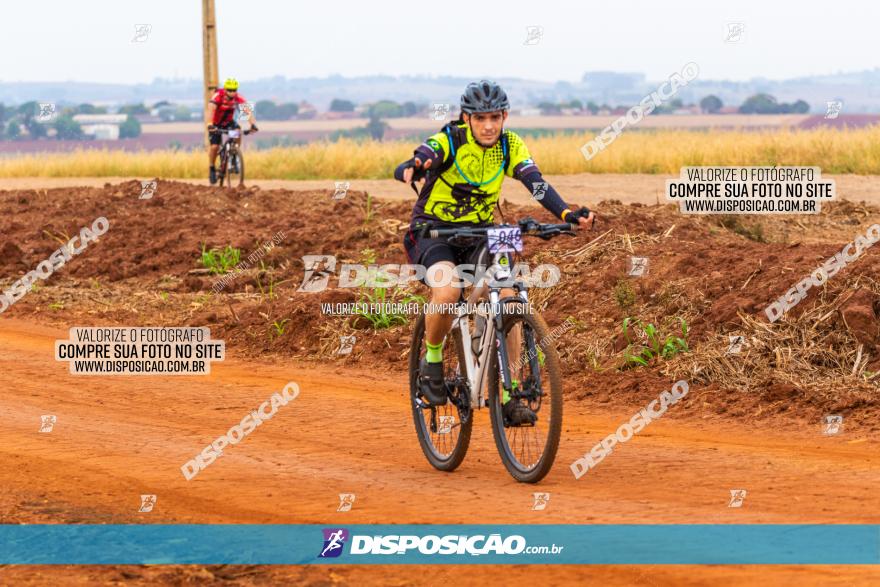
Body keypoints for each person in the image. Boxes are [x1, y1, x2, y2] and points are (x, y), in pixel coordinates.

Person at [394, 80, 595, 425]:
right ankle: (432, 362)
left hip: (485, 231)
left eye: (494, 118)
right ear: (466, 118)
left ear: (504, 117)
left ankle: (508, 393)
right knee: (448, 290)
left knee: (510, 296)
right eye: (480, 118)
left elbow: (536, 181)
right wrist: (415, 164)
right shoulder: (452, 139)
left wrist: (565, 214)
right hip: (433, 229)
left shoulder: (510, 144)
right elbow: (428, 152)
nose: (488, 125)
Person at [206, 78, 258, 184]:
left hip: (228, 123)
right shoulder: (218, 96)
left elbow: (247, 112)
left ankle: (234, 153)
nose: (232, 92)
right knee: (214, 147)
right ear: (225, 89)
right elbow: (211, 109)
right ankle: (212, 167)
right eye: (230, 90)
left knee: (238, 131)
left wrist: (252, 124)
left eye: (234, 90)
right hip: (215, 124)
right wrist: (210, 124)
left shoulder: (238, 98)